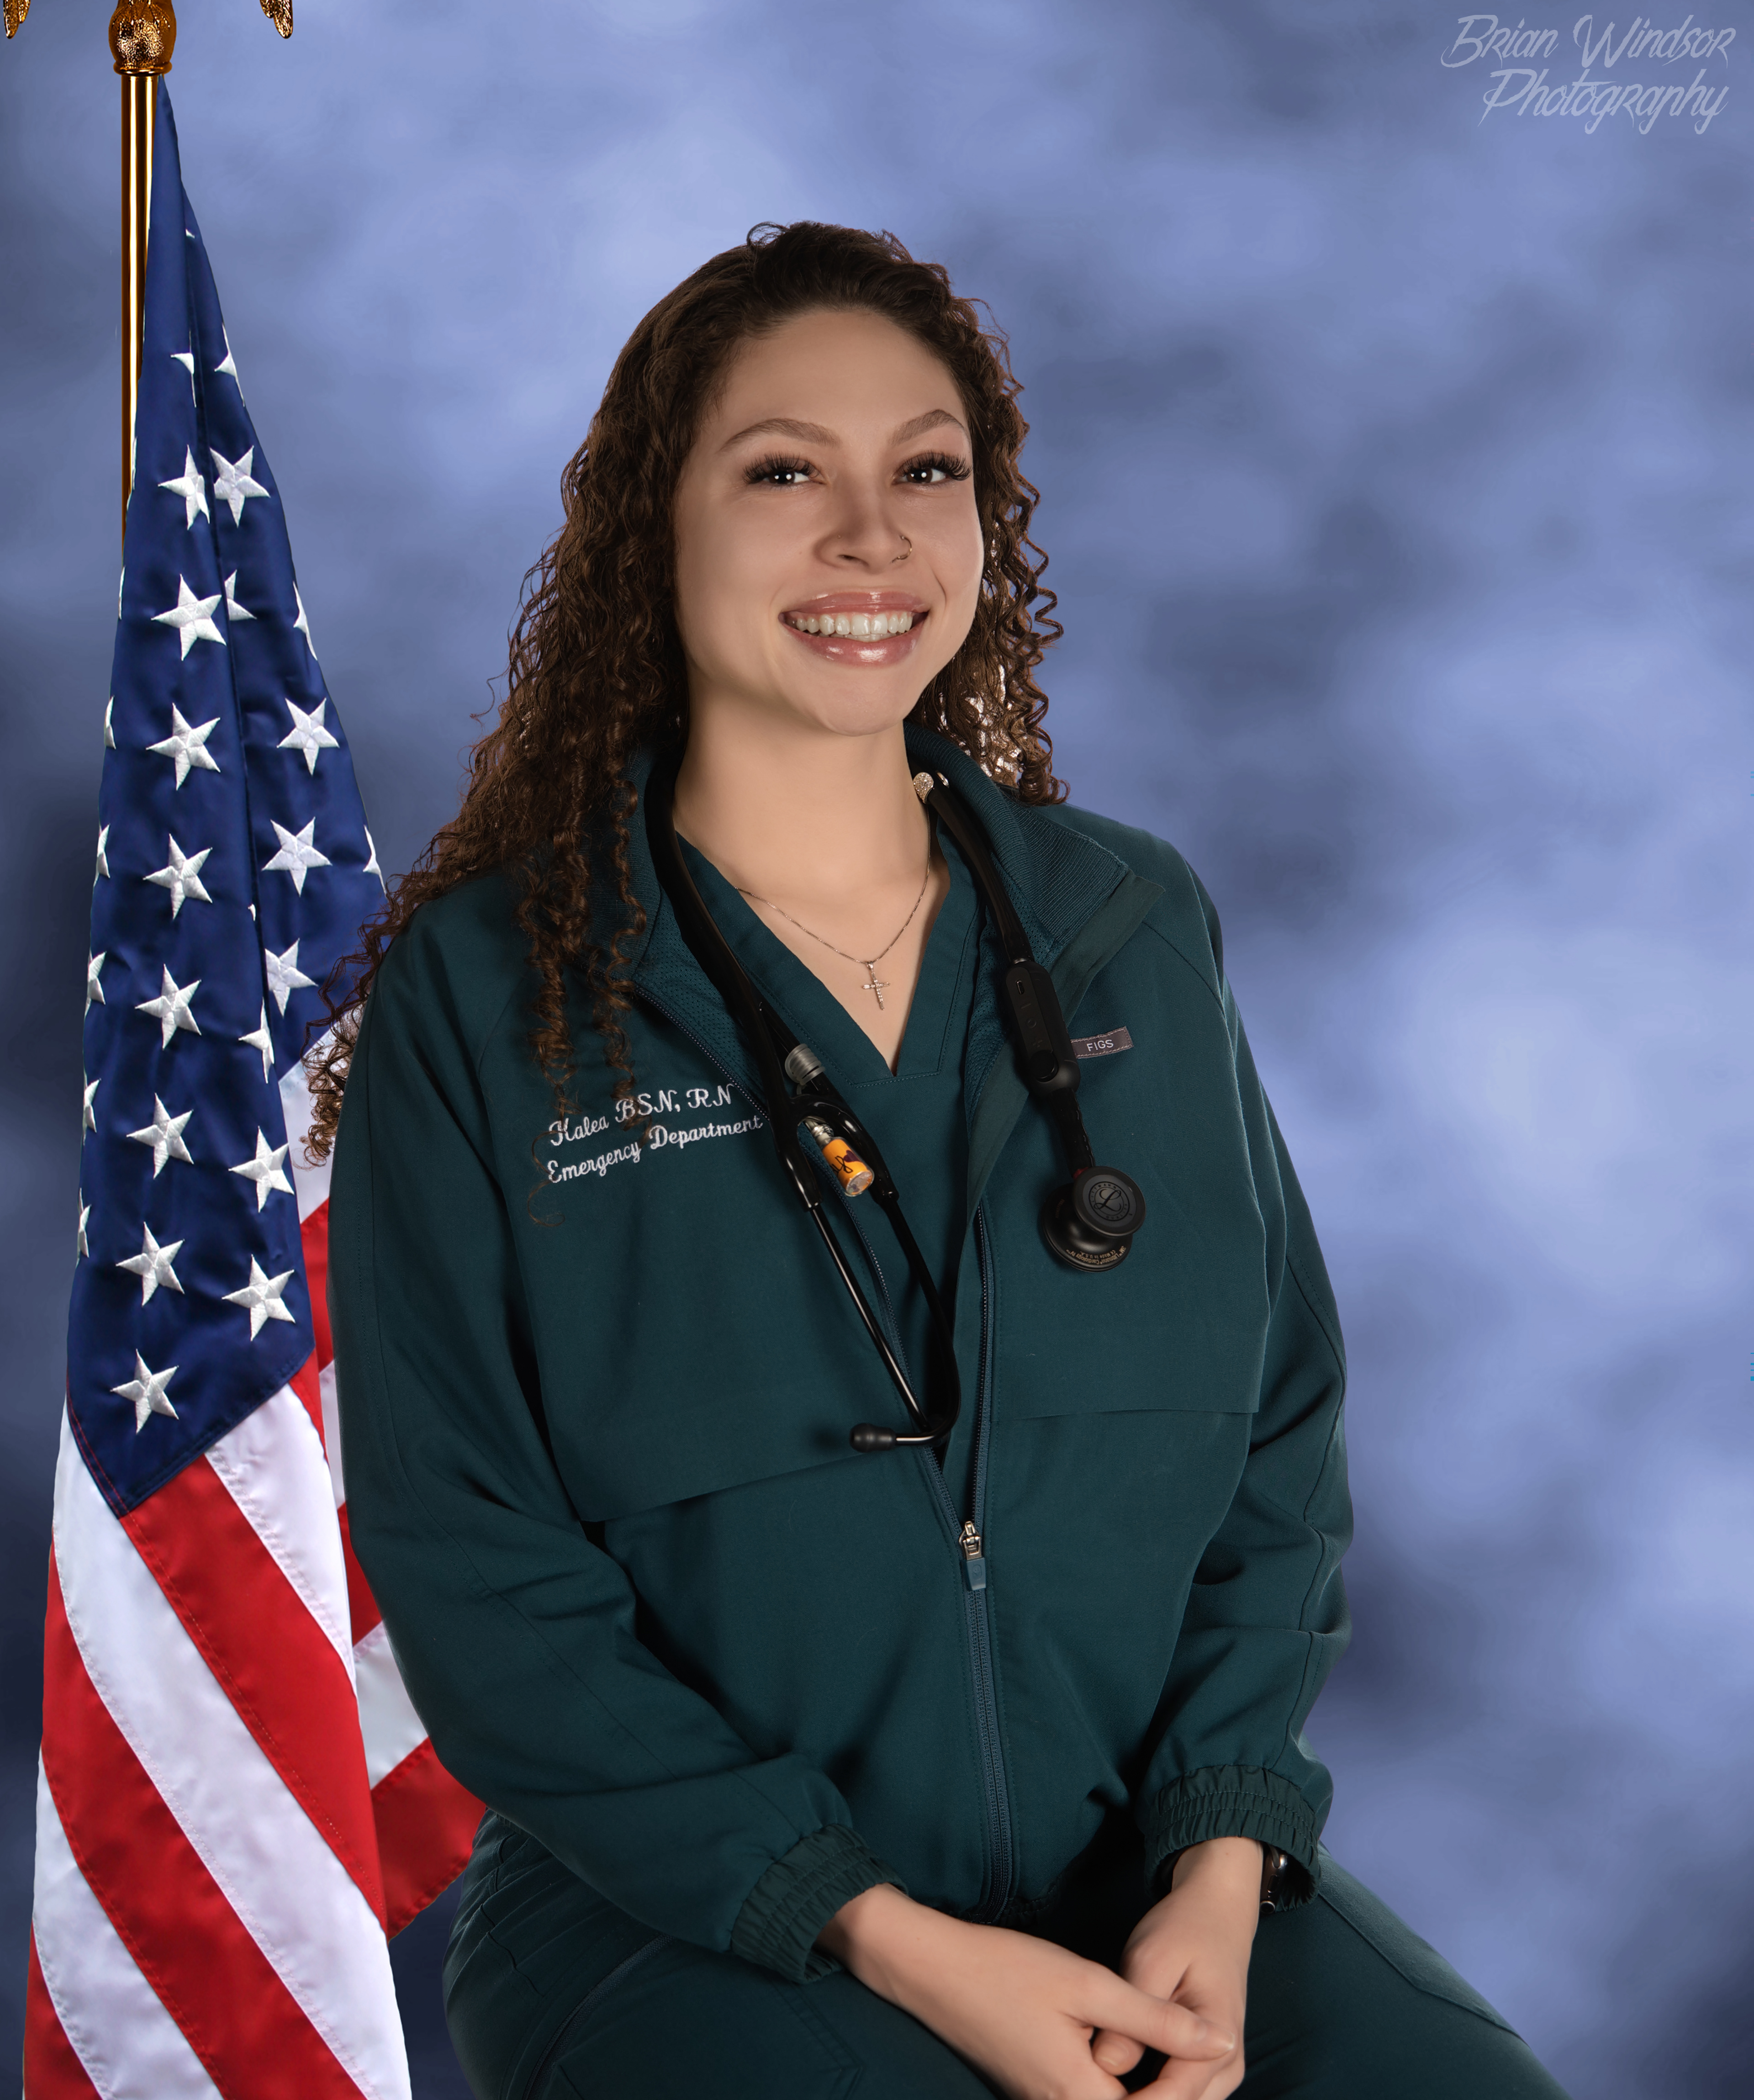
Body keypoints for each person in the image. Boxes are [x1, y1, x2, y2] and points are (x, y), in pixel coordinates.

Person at [313, 222, 1571, 2100]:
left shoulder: (1129, 925)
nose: (870, 539)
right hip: (688, 1910)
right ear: (656, 528)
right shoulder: (492, 993)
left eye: (925, 471)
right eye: (781, 474)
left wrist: (1222, 1856)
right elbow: (471, 1563)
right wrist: (881, 1929)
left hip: (1149, 1878)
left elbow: (1280, 1441)